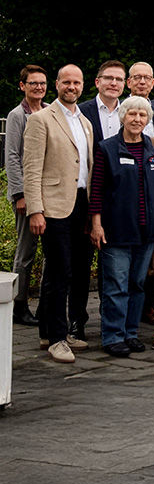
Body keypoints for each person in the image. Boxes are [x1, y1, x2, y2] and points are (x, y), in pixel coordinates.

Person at [23, 64, 94, 362]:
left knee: (78, 271)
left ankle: (51, 331)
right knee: (58, 272)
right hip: (53, 206)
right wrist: (35, 210)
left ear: (82, 86)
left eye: (76, 83)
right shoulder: (41, 119)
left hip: (81, 203)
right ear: (57, 84)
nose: (72, 87)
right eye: (66, 82)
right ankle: (55, 338)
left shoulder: (85, 122)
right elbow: (31, 168)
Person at [88, 96, 154, 357]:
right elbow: (96, 190)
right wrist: (96, 224)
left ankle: (130, 333)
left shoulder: (153, 147)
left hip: (146, 231)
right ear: (123, 116)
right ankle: (112, 335)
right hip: (116, 230)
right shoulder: (107, 148)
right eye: (132, 114)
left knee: (137, 284)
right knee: (116, 285)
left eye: (142, 115)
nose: (137, 119)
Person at [6, 65, 46, 327]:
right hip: (26, 194)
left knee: (50, 251)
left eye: (42, 83)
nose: (38, 88)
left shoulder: (50, 111)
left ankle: (46, 303)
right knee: (26, 250)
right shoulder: (17, 115)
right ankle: (18, 305)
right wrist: (20, 194)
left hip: (49, 193)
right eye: (33, 83)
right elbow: (12, 156)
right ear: (22, 85)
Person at [79, 59, 126, 146]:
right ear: (97, 82)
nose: (114, 83)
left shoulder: (129, 112)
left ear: (124, 84)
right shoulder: (81, 112)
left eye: (119, 79)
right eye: (109, 78)